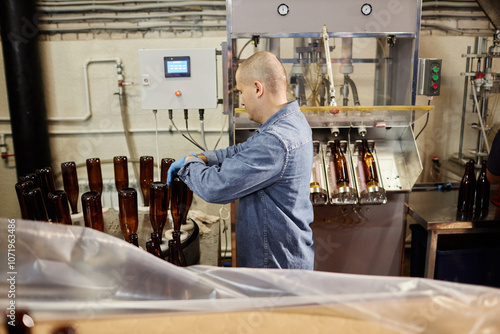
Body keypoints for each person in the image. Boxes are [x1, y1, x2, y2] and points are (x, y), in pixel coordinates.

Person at [167, 51, 314, 269]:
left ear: (257, 88)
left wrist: (189, 166)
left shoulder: (275, 141)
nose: (242, 100)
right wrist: (206, 157)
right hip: (287, 258)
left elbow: (215, 187)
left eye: (241, 92)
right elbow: (245, 149)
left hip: (274, 271)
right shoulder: (292, 121)